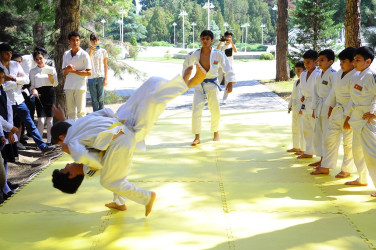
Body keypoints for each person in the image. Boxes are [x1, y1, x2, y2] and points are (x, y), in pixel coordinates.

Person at [51, 65, 207, 216]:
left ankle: (120, 203)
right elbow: (91, 158)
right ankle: (187, 83)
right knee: (152, 101)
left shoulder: (75, 138)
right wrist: (71, 148)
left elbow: (78, 128)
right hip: (128, 134)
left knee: (149, 86)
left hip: (121, 121)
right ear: (71, 176)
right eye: (65, 169)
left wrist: (65, 125)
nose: (66, 164)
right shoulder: (86, 166)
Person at [183, 30, 236, 146]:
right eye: (203, 38)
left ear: (212, 41)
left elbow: (228, 67)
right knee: (196, 110)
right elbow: (186, 63)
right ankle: (197, 136)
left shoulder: (218, 54)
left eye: (207, 39)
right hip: (199, 84)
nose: (205, 41)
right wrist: (185, 78)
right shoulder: (194, 54)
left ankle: (216, 132)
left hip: (213, 84)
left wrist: (230, 82)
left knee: (215, 110)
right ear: (200, 40)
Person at [311, 47, 357, 177]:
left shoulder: (356, 76)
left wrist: (348, 117)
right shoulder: (338, 74)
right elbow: (333, 93)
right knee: (329, 139)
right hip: (336, 110)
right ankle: (326, 166)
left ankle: (346, 169)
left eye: (344, 61)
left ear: (353, 62)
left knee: (348, 143)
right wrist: (330, 107)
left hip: (350, 112)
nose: (341, 64)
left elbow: (355, 98)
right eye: (340, 61)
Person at [0, 43, 54, 154]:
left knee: (30, 123)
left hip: (19, 99)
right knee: (8, 126)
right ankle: (10, 152)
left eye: (10, 53)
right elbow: (2, 87)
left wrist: (13, 79)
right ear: (1, 54)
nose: (9, 55)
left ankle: (42, 146)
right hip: (5, 101)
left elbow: (26, 80)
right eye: (6, 53)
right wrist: (16, 83)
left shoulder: (15, 64)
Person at [344, 46, 376, 191]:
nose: (354, 62)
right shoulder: (356, 75)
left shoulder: (371, 75)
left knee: (371, 154)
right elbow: (353, 98)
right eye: (354, 60)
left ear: (368, 61)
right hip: (357, 118)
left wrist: (374, 113)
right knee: (357, 152)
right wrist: (348, 116)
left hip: (368, 119)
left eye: (358, 60)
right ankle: (362, 179)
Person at [309, 49, 336, 167]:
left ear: (330, 61)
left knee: (326, 135)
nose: (319, 62)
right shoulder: (318, 74)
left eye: (322, 60)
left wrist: (331, 108)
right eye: (319, 60)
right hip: (319, 106)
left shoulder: (333, 74)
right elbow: (315, 92)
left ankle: (326, 162)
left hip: (328, 106)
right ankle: (321, 159)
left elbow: (334, 92)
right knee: (318, 135)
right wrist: (314, 108)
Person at [29, 49, 58, 146]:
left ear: (44, 58)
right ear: (34, 60)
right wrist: (34, 90)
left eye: (41, 58)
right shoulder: (32, 71)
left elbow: (55, 83)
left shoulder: (51, 69)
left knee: (50, 119)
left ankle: (49, 142)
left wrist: (50, 77)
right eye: (37, 59)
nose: (39, 61)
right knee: (41, 120)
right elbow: (32, 85)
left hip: (50, 93)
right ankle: (40, 143)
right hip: (39, 94)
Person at [62, 31, 92, 120]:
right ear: (69, 41)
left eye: (77, 40)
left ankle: (81, 133)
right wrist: (67, 70)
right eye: (73, 40)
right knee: (70, 113)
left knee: (81, 113)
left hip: (80, 87)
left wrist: (73, 71)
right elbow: (64, 73)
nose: (75, 42)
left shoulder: (84, 54)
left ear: (80, 41)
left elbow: (89, 72)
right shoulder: (66, 54)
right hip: (68, 86)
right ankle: (72, 132)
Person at [297, 49, 321, 159]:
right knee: (306, 129)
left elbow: (319, 91)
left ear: (316, 62)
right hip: (305, 102)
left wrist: (315, 108)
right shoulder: (303, 74)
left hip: (315, 103)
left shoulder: (319, 74)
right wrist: (302, 99)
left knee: (316, 130)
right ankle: (308, 151)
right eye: (305, 62)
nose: (306, 65)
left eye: (308, 62)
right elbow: (302, 89)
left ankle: (320, 155)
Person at [0, 66, 19, 200]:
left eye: (2, 77)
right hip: (2, 128)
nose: (1, 80)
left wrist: (10, 128)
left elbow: (9, 110)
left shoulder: (3, 91)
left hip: (4, 129)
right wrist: (8, 128)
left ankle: (4, 185)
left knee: (5, 157)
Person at [287, 61, 305, 154]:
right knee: (295, 128)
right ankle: (296, 147)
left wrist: (303, 108)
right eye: (296, 71)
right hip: (294, 106)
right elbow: (293, 95)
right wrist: (289, 105)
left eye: (299, 70)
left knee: (302, 129)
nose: (297, 73)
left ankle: (303, 149)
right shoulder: (296, 81)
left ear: (304, 71)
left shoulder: (306, 82)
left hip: (302, 108)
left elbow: (306, 96)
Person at [86, 33, 108, 111]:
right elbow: (87, 62)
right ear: (90, 41)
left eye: (96, 41)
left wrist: (106, 78)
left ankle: (101, 115)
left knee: (101, 98)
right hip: (91, 77)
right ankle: (95, 115)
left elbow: (105, 65)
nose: (95, 43)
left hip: (101, 76)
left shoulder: (103, 51)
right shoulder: (87, 51)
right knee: (94, 99)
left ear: (98, 41)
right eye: (93, 41)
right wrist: (91, 51)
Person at [217, 31, 237, 104]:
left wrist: (231, 42)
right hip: (220, 67)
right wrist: (220, 42)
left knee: (227, 83)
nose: (229, 38)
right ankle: (216, 97)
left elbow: (235, 51)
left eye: (230, 37)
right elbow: (216, 50)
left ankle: (224, 99)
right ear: (225, 37)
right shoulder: (222, 46)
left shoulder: (232, 46)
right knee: (217, 82)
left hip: (229, 67)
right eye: (227, 37)